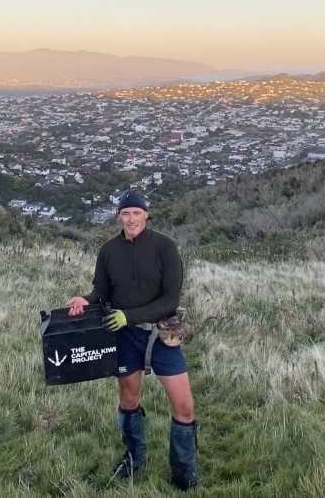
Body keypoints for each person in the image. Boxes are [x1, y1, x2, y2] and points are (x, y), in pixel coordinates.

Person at [67, 188, 199, 490]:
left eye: (137, 213)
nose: (131, 219)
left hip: (163, 335)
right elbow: (101, 292)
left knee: (185, 407)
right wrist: (85, 300)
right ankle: (133, 457)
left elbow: (170, 299)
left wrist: (131, 315)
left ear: (146, 214)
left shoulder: (166, 248)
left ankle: (184, 470)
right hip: (125, 338)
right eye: (125, 213)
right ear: (119, 216)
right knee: (128, 399)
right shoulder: (108, 251)